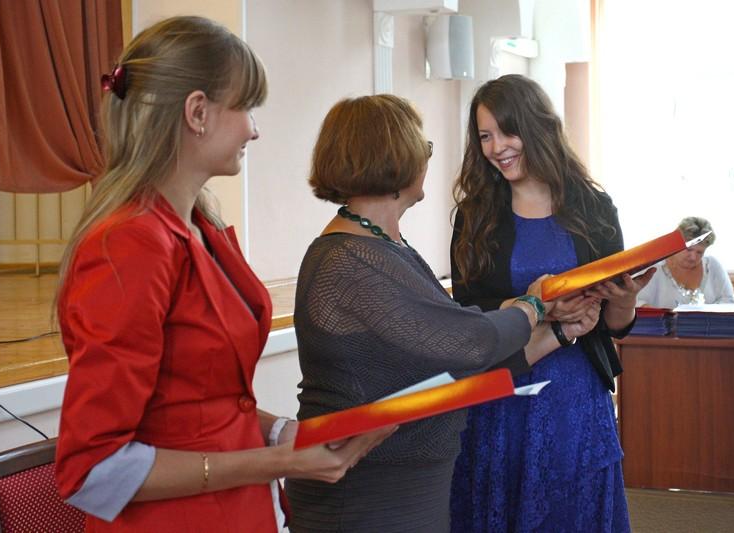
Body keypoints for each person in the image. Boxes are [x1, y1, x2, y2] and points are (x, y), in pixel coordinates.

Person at [53, 16, 393, 532]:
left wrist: (284, 433)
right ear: (198, 112)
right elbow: (94, 470)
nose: (254, 129)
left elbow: (201, 409)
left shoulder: (201, 226)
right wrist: (279, 462)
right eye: (246, 108)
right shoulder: (129, 244)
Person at [284, 94, 599, 533]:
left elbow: (453, 366)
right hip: (365, 492)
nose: (427, 158)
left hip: (410, 481)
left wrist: (560, 334)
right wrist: (533, 304)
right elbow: (468, 342)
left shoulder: (387, 247)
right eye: (423, 146)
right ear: (394, 158)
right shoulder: (348, 259)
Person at [449, 74, 654, 532]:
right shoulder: (475, 214)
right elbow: (468, 312)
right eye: (485, 136)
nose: (496, 147)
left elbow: (615, 324)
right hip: (503, 390)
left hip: (575, 393)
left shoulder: (594, 207)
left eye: (507, 131)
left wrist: (624, 300)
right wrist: (536, 305)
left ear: (538, 126)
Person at [637, 216, 734, 308]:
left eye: (699, 252)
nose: (693, 257)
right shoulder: (655, 268)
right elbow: (638, 302)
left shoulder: (712, 265)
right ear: (676, 243)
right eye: (688, 250)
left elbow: (729, 301)